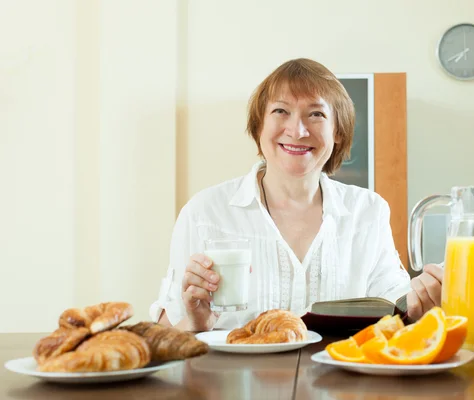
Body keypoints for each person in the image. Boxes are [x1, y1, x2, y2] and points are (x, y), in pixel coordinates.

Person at [150, 58, 443, 332]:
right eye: (281, 111)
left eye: (316, 114)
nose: (297, 130)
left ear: (338, 131)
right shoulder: (205, 212)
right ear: (259, 125)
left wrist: (424, 301)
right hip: (231, 386)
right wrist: (195, 323)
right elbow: (165, 333)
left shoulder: (368, 210)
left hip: (342, 384)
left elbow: (396, 309)